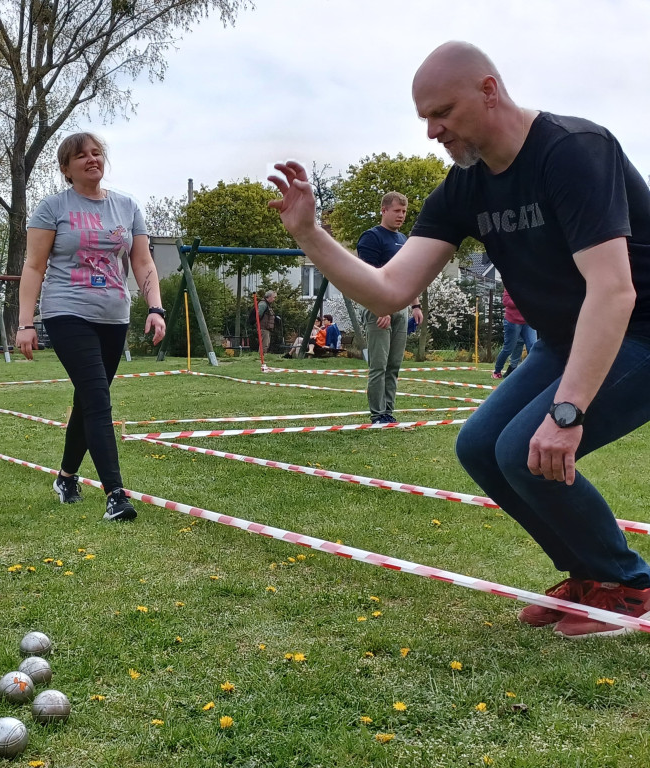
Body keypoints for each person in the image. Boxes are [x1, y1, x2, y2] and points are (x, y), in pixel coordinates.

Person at [269, 41, 650, 639]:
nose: (431, 131)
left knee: (523, 446)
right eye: (424, 117)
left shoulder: (575, 151)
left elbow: (614, 290)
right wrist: (311, 234)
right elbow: (389, 290)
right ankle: (593, 577)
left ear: (489, 91)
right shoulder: (465, 187)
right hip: (565, 336)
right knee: (479, 446)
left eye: (441, 112)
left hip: (638, 332)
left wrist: (567, 411)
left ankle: (632, 587)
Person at [16, 132, 166, 522]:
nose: (91, 159)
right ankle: (116, 494)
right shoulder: (52, 209)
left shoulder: (127, 206)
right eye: (81, 156)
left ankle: (66, 477)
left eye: (97, 153)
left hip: (113, 316)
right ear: (66, 168)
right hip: (67, 311)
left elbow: (143, 262)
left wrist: (156, 308)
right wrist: (25, 323)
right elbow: (33, 266)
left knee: (88, 400)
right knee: (98, 399)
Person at [355, 192, 424, 423]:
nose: (401, 216)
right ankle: (377, 414)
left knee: (394, 364)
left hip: (401, 309)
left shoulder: (404, 240)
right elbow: (367, 278)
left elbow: (408, 276)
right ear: (384, 210)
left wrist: (415, 305)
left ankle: (388, 411)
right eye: (397, 211)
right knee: (379, 365)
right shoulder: (371, 238)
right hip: (378, 309)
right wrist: (379, 309)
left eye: (404, 212)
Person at [492, 288, 536, 379]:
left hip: (528, 321)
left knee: (533, 346)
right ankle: (497, 371)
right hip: (512, 321)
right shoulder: (511, 285)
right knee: (508, 348)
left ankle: (533, 372)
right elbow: (506, 301)